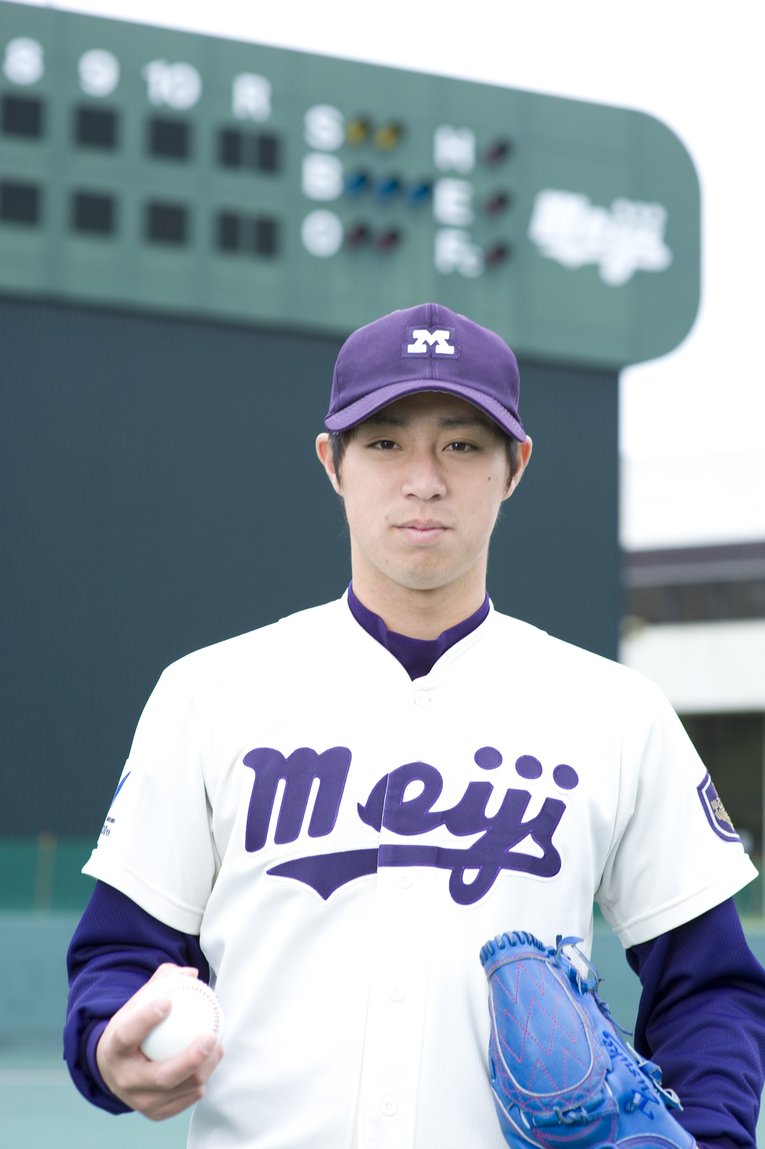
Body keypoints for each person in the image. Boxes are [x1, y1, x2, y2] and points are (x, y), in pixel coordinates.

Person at [65, 302, 765, 1148]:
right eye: (385, 442)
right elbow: (118, 958)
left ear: (514, 466)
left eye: (462, 445)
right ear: (332, 462)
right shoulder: (207, 695)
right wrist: (109, 1042)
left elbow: (709, 986)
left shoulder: (616, 712)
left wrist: (713, 1135)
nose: (423, 480)